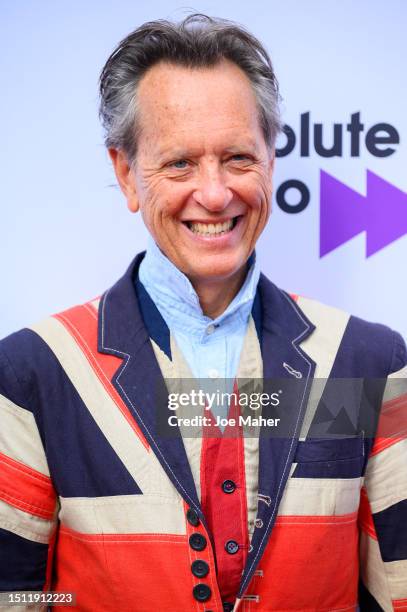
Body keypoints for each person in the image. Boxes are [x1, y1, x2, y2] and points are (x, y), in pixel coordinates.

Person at [0, 14, 406, 612]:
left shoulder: (367, 362)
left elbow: (396, 591)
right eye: (180, 163)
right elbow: (18, 598)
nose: (214, 194)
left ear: (271, 159)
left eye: (238, 157)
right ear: (126, 173)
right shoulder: (36, 373)